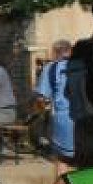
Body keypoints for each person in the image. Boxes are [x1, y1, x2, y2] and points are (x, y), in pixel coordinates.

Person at [35, 40, 75, 168]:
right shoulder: (84, 65)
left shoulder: (51, 68)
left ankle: (64, 181)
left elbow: (41, 98)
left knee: (62, 161)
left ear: (55, 52)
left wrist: (42, 113)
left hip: (63, 118)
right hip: (87, 118)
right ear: (70, 50)